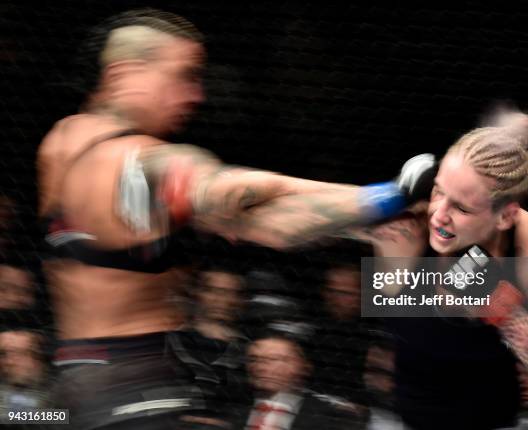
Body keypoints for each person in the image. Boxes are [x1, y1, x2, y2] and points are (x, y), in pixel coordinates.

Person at [37, 8, 431, 429]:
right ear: (124, 74)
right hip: (138, 398)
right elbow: (255, 212)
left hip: (72, 394)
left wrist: (371, 214)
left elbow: (236, 217)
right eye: (184, 75)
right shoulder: (140, 164)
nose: (196, 95)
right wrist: (392, 194)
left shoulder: (60, 142)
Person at [352, 108, 528, 429]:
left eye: (461, 207)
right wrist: (387, 197)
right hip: (401, 418)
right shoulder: (405, 222)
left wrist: (501, 306)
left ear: (505, 216)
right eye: (438, 191)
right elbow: (286, 217)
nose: (439, 215)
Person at [237, 330, 364, 430]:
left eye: (275, 359)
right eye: (254, 359)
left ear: (303, 367)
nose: (260, 367)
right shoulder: (234, 412)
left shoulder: (332, 416)